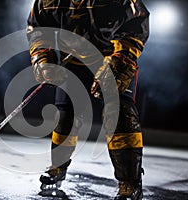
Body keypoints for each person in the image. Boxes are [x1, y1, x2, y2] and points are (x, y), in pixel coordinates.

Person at [26, 0, 149, 199]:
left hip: (112, 61)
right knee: (65, 115)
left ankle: (130, 183)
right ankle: (58, 167)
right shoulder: (48, 1)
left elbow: (136, 22)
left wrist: (123, 56)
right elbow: (39, 28)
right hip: (73, 62)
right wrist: (42, 57)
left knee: (119, 114)